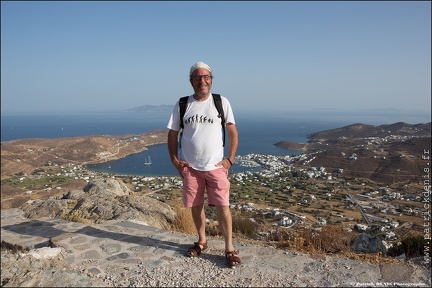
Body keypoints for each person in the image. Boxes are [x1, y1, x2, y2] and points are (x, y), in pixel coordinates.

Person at [167, 61, 241, 267]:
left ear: (211, 80)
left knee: (223, 207)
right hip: (190, 167)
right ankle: (201, 241)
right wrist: (174, 160)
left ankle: (229, 248)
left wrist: (230, 160)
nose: (202, 81)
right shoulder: (183, 104)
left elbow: (233, 131)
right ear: (191, 81)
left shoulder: (221, 102)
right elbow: (173, 133)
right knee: (196, 206)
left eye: (206, 77)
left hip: (216, 167)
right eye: (198, 77)